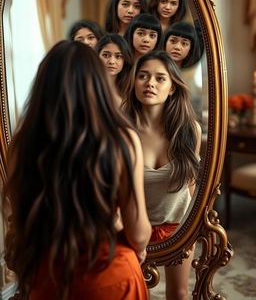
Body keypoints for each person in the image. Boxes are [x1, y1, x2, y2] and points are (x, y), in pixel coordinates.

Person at [3, 41, 151, 300]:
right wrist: (137, 249)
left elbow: (20, 218)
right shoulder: (123, 140)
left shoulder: (21, 143)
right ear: (99, 84)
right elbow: (138, 231)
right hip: (112, 274)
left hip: (49, 277)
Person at [122, 50, 201, 300]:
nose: (150, 83)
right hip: (131, 228)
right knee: (134, 292)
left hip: (178, 227)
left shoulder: (190, 131)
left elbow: (190, 184)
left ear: (172, 88)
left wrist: (187, 226)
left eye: (160, 78)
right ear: (134, 82)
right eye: (143, 76)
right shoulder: (122, 131)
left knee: (179, 293)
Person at [96, 33, 132, 105]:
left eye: (118, 56)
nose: (112, 62)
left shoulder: (130, 88)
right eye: (106, 55)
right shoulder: (88, 85)